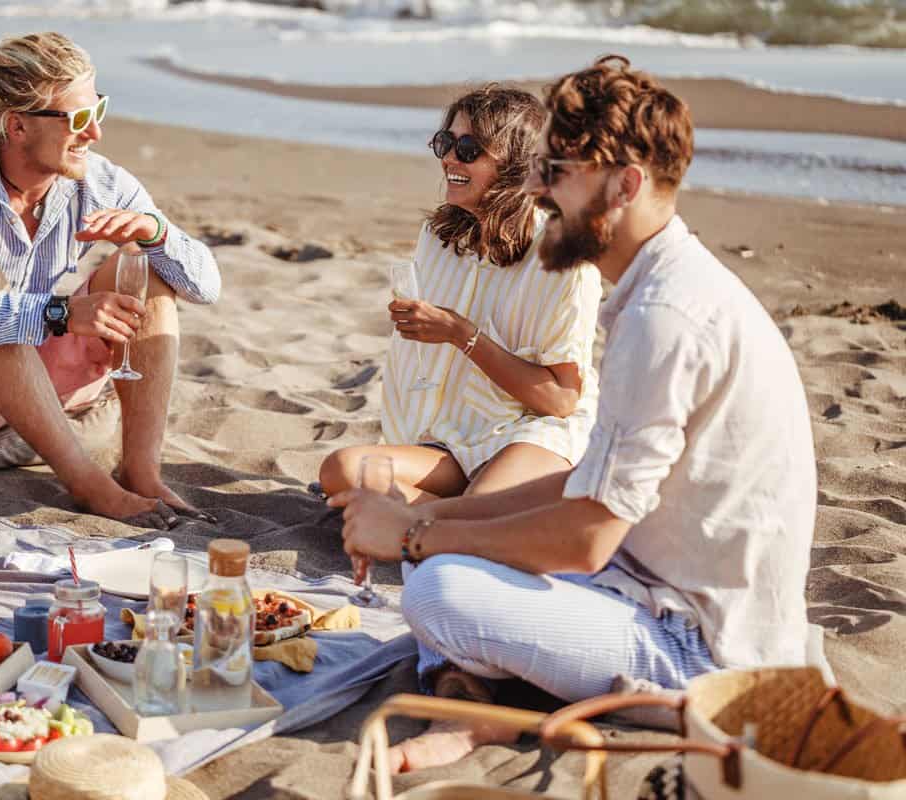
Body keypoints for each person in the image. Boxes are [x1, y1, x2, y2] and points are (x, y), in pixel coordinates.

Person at [331, 55, 817, 773]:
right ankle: (483, 709)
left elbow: (587, 538)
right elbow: (584, 484)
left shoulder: (666, 317)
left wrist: (414, 535)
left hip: (703, 648)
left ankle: (485, 707)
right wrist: (431, 523)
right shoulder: (661, 287)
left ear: (625, 185)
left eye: (556, 171)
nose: (535, 186)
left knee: (436, 585)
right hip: (643, 579)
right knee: (454, 552)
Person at [0, 33, 221, 528]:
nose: (94, 133)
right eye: (77, 119)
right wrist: (56, 312)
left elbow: (206, 287)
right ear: (17, 126)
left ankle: (141, 472)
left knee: (143, 271)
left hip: (30, 381)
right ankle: (87, 483)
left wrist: (156, 232)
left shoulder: (99, 181)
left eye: (98, 109)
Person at [317, 84, 602, 508]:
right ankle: (468, 518)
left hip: (528, 433)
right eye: (445, 142)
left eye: (469, 148)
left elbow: (559, 400)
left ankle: (458, 516)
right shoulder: (439, 236)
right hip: (453, 440)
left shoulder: (563, 259)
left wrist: (461, 334)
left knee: (478, 502)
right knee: (340, 470)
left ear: (516, 163)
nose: (449, 157)